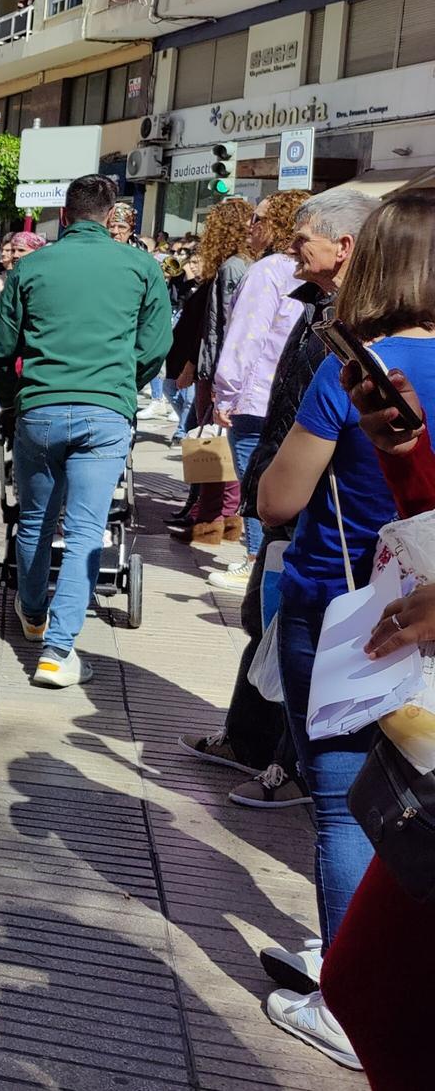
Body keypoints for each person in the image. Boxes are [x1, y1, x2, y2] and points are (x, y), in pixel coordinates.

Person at [252, 191, 435, 1073]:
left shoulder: (356, 369)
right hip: (417, 622)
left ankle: (344, 993)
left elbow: (279, 499)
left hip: (347, 606)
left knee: (346, 806)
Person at [184, 189, 377, 822]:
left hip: (318, 515)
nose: (290, 246)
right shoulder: (318, 303)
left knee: (287, 626)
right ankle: (252, 739)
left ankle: (292, 765)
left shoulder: (358, 325)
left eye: (303, 237)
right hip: (287, 487)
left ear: (343, 246)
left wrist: (279, 490)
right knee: (263, 619)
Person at [0, 174, 169, 687]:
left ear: (64, 216)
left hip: (40, 409)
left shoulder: (32, 266)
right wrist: (122, 382)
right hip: (105, 411)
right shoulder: (139, 266)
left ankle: (31, 612)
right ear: (110, 215)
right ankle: (58, 651)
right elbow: (156, 344)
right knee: (89, 529)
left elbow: (2, 347)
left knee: (34, 522)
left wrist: (10, 400)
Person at [210, 189, 312, 591]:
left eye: (260, 217)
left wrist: (226, 392)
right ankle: (270, 560)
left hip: (256, 397)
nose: (252, 225)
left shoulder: (269, 270)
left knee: (256, 481)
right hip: (297, 396)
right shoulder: (306, 273)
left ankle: (254, 561)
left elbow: (245, 336)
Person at [175, 196, 259, 546]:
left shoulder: (232, 268)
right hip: (225, 368)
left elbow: (221, 328)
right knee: (219, 446)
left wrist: (211, 375)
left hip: (220, 369)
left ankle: (213, 521)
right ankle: (214, 518)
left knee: (212, 446)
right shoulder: (246, 265)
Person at [0, 234, 45, 430]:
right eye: (12, 250)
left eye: (21, 251)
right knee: (0, 379)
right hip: (3, 338)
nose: (14, 255)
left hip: (29, 350)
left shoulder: (41, 280)